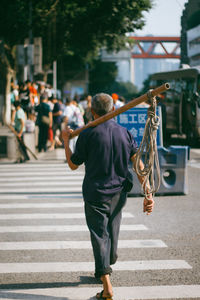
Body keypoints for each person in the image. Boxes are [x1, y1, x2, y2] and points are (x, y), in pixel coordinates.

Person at [62, 93, 154, 300]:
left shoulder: (87, 134)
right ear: (113, 110)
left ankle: (107, 286)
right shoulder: (125, 132)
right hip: (119, 193)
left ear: (92, 111)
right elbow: (138, 164)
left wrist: (66, 141)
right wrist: (147, 191)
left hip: (96, 193)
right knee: (112, 231)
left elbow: (73, 164)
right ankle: (106, 263)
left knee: (99, 236)